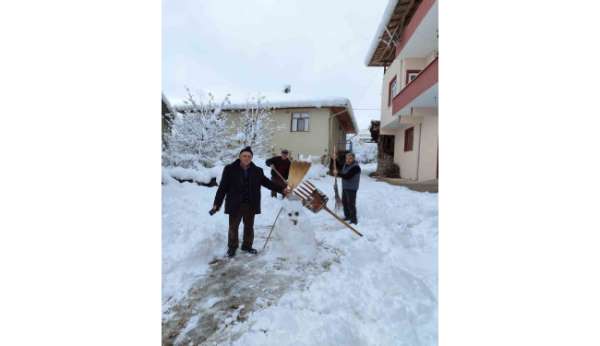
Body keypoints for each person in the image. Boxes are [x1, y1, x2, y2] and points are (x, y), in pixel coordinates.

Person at [211, 147, 289, 257]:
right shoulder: (229, 169)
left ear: (251, 158)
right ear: (240, 156)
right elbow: (222, 188)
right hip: (235, 203)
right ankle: (232, 247)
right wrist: (217, 204)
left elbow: (267, 183)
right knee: (233, 227)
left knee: (249, 226)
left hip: (250, 203)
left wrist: (282, 189)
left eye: (249, 156)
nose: (247, 158)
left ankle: (247, 246)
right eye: (244, 156)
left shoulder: (257, 171)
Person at [333, 152, 361, 225]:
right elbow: (339, 166)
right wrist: (335, 160)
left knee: (351, 203)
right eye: (347, 158)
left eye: (350, 158)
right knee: (345, 203)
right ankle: (347, 216)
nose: (348, 160)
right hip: (345, 187)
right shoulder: (346, 165)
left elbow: (347, 176)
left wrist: (337, 174)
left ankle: (354, 220)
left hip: (352, 188)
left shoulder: (356, 167)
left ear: (353, 159)